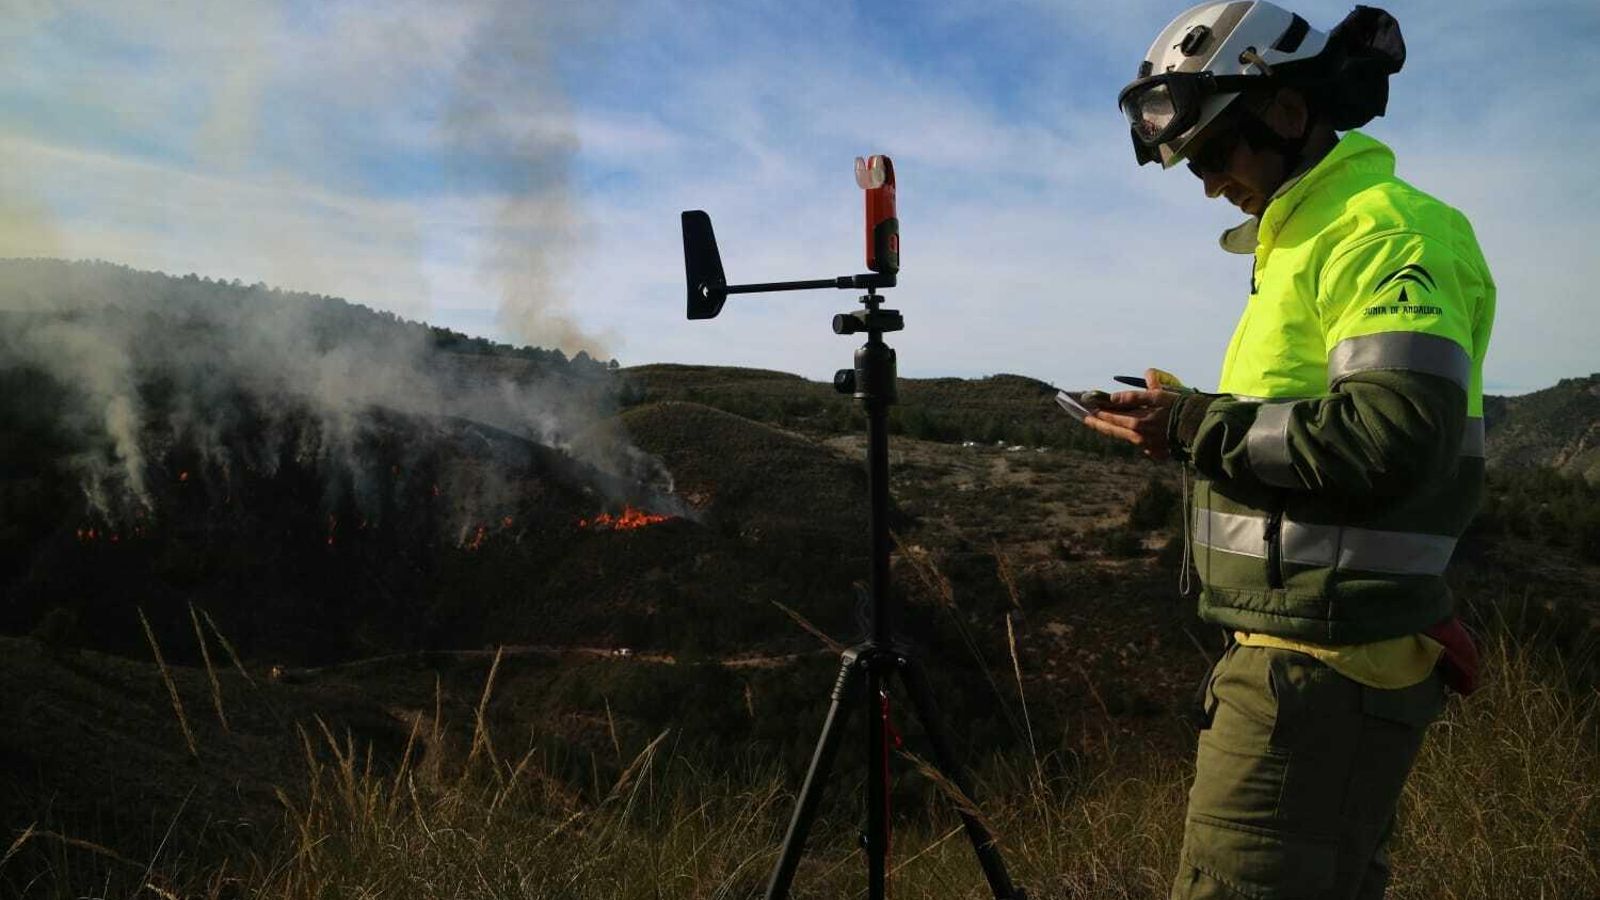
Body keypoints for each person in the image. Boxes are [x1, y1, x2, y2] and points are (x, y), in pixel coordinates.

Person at [1085, 4, 1494, 897]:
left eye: (1213, 153)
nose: (1207, 185)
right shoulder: (1303, 239)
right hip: (1308, 659)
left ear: (1285, 109)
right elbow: (1306, 423)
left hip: (1322, 670)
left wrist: (1191, 426)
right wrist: (1189, 415)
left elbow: (1391, 437)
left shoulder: (1380, 230)